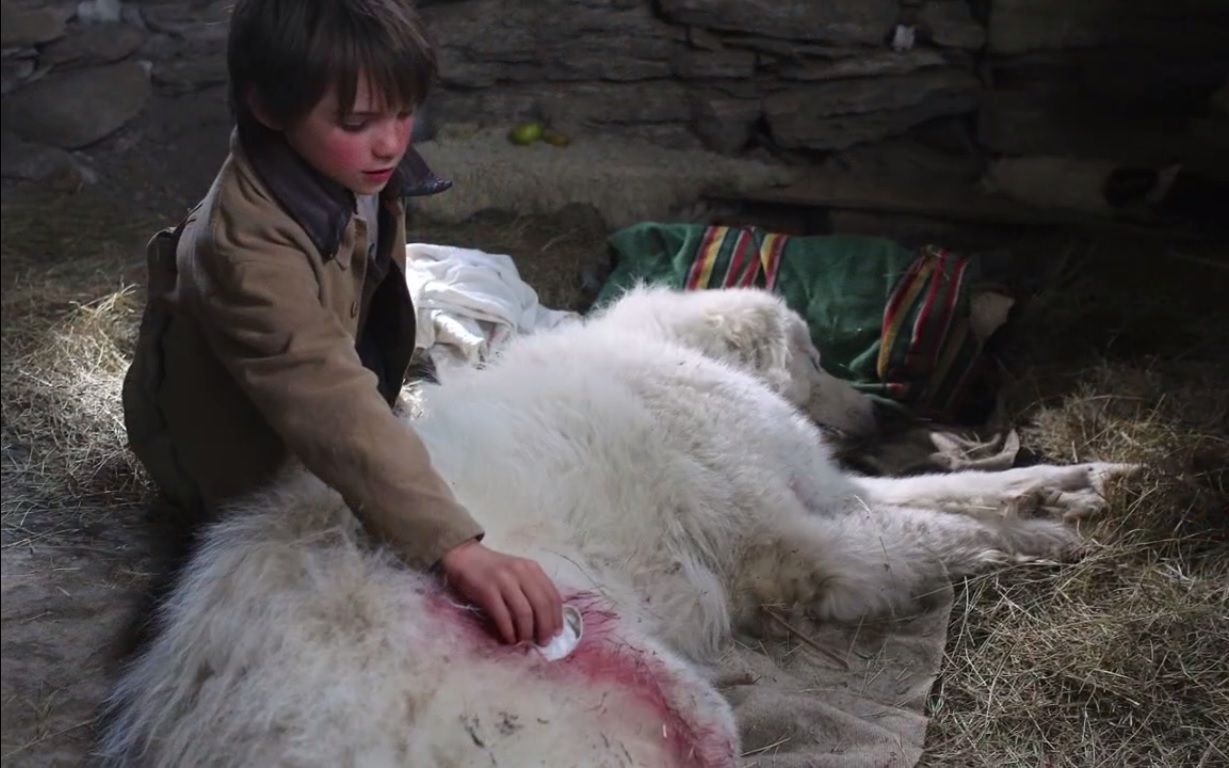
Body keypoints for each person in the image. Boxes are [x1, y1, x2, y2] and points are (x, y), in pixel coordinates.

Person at [120, 0, 563, 648]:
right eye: (357, 121)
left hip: (319, 388)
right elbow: (325, 393)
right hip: (231, 455)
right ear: (268, 108)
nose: (390, 142)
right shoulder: (244, 249)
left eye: (403, 113)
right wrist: (455, 547)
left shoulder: (348, 164)